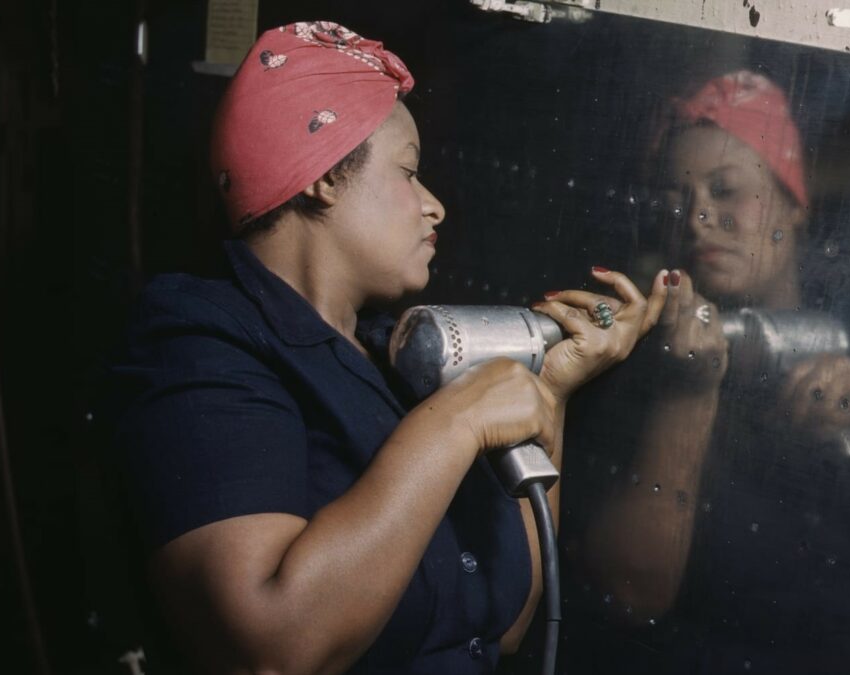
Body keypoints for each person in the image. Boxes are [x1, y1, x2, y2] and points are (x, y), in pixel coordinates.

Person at [112, 21, 667, 675]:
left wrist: (550, 392)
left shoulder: (392, 357)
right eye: (408, 170)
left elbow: (508, 624)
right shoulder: (200, 347)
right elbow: (270, 648)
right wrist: (458, 421)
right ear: (323, 175)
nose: (434, 207)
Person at [565, 70, 850, 673]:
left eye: (726, 190)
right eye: (677, 200)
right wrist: (688, 396)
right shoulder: (633, 360)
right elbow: (631, 594)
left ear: (793, 202)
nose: (698, 220)